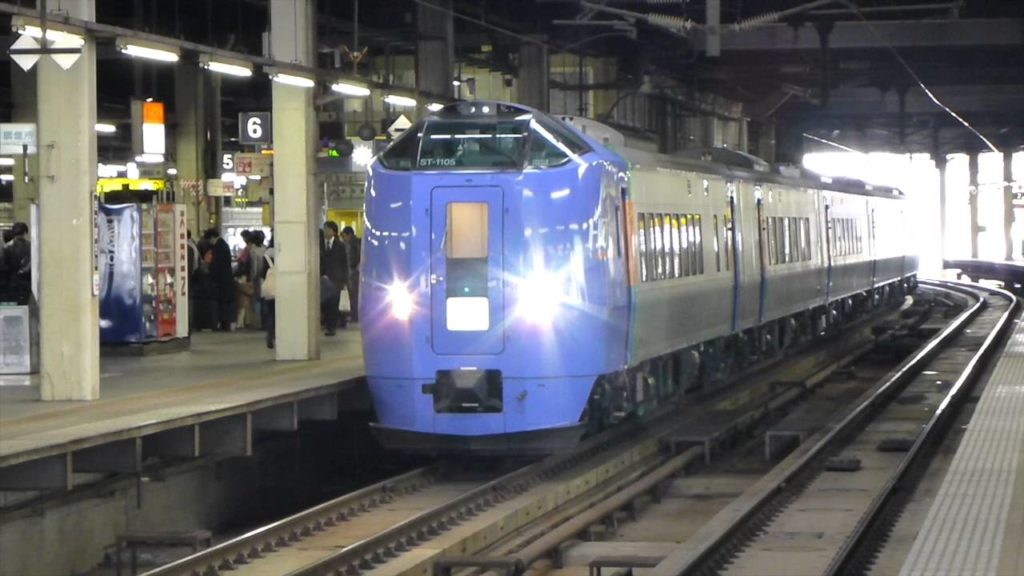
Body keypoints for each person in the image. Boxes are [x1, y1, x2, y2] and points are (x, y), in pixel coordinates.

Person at [203, 227, 235, 331]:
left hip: (222, 280)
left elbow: (216, 264)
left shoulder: (219, 246)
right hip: (225, 279)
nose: (209, 243)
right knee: (224, 303)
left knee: (223, 303)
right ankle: (225, 324)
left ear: (212, 237)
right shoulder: (223, 245)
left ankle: (224, 324)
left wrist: (209, 271)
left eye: (209, 240)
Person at [320, 221, 349, 335]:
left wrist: (345, 281)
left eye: (327, 229)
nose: (325, 232)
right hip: (323, 279)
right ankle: (328, 325)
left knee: (333, 304)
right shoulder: (320, 244)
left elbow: (344, 263)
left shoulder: (340, 245)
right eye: (325, 229)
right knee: (325, 303)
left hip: (336, 280)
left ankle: (331, 327)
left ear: (333, 231)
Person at [3, 222, 32, 305]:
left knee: (13, 305)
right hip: (27, 281)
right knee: (25, 304)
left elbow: (4, 265)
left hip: (12, 281)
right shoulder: (31, 246)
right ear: (25, 232)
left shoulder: (6, 247)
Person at [341, 226, 361, 323]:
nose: (343, 238)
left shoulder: (353, 244)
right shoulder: (355, 243)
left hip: (354, 273)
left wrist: (353, 266)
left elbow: (354, 259)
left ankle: (354, 316)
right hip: (353, 273)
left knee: (354, 295)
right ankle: (354, 315)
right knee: (353, 295)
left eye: (344, 236)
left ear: (349, 235)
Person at [261, 234, 276, 348]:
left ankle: (270, 335)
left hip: (271, 288)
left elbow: (262, 273)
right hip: (285, 288)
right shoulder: (286, 253)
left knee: (271, 313)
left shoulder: (267, 254)